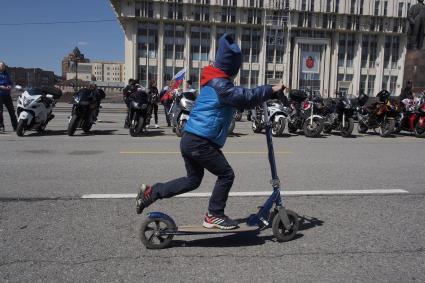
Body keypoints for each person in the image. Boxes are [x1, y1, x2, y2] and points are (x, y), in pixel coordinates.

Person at [136, 34, 286, 230]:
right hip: (200, 141)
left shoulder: (215, 82)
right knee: (226, 175)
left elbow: (240, 98)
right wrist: (271, 88)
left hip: (191, 139)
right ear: (232, 68)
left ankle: (151, 193)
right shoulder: (222, 86)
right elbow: (245, 97)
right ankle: (214, 215)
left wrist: (266, 95)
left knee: (192, 180)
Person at [0, 62, 18, 133]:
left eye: (3, 66)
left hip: (7, 95)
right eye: (1, 66)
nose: (3, 67)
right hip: (0, 95)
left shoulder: (6, 74)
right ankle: (1, 127)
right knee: (0, 112)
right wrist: (2, 87)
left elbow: (11, 83)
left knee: (12, 111)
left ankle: (16, 127)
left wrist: (10, 86)